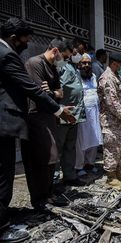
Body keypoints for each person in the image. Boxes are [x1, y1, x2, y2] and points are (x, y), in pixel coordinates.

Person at [0, 18, 75, 242]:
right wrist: (59, 110)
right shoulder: (7, 56)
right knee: (4, 175)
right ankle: (3, 228)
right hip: (7, 122)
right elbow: (31, 88)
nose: (27, 44)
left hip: (10, 122)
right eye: (25, 40)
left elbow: (55, 89)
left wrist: (54, 95)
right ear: (14, 38)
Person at [23, 37, 74, 210]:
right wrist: (54, 95)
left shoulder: (52, 67)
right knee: (40, 158)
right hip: (36, 116)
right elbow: (38, 93)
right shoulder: (34, 63)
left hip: (49, 115)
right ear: (56, 51)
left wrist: (52, 93)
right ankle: (39, 199)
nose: (65, 62)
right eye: (65, 58)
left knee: (52, 157)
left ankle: (48, 194)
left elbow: (59, 92)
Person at [98, 52, 121, 190]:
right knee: (112, 148)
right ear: (114, 63)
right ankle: (110, 177)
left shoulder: (116, 76)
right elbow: (112, 102)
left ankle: (118, 172)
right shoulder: (106, 78)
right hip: (111, 121)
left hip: (120, 122)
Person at [55, 43, 88, 186]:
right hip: (63, 114)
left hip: (74, 114)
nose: (77, 56)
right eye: (75, 53)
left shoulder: (73, 67)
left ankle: (69, 176)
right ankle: (54, 180)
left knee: (70, 146)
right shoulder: (60, 66)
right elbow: (57, 87)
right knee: (58, 148)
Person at [75, 54, 103, 176]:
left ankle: (90, 164)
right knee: (81, 140)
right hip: (82, 113)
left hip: (95, 112)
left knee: (94, 138)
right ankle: (79, 166)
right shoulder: (76, 77)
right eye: (84, 63)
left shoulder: (93, 77)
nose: (86, 65)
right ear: (79, 64)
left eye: (88, 63)